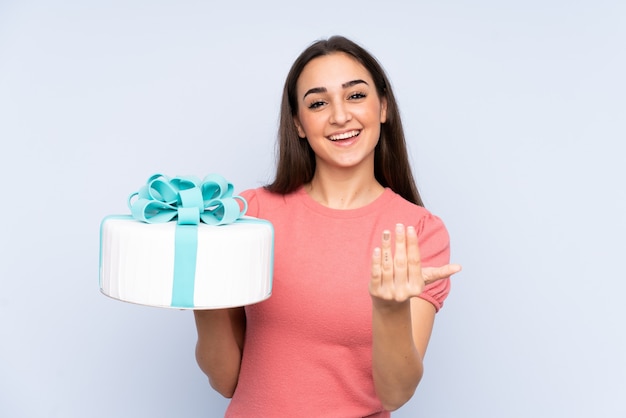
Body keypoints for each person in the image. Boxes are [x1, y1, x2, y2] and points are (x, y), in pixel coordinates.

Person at [193, 35, 462, 417]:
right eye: (318, 103)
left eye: (355, 96)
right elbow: (225, 381)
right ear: (299, 125)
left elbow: (396, 394)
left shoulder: (418, 232)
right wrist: (199, 292)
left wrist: (389, 310)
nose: (339, 116)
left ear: (383, 107)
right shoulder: (249, 215)